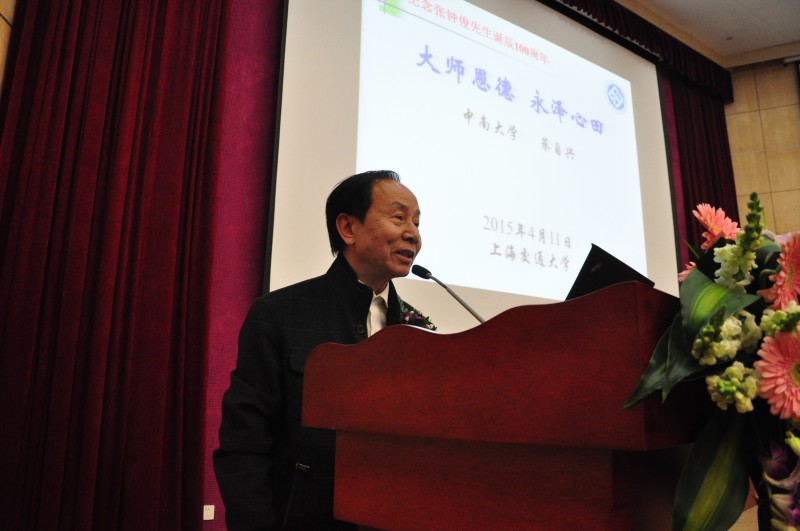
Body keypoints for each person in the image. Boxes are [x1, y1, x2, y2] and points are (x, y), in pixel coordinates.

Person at [213, 170, 434, 530]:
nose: (413, 234)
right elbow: (244, 445)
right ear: (347, 228)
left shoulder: (417, 329)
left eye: (417, 223)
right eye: (399, 218)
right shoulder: (280, 314)